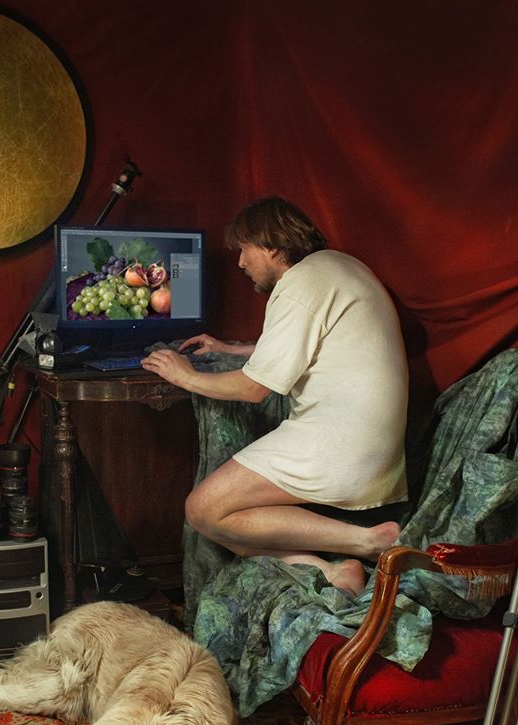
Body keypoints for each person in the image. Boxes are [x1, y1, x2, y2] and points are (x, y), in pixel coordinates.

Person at [141, 196, 408, 594]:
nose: (240, 263)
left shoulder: (300, 282)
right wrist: (232, 350)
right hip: (377, 448)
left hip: (341, 445)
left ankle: (370, 541)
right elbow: (317, 340)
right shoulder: (338, 266)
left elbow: (253, 389)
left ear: (270, 246)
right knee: (226, 518)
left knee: (202, 510)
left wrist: (185, 376)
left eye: (244, 249)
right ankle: (331, 571)